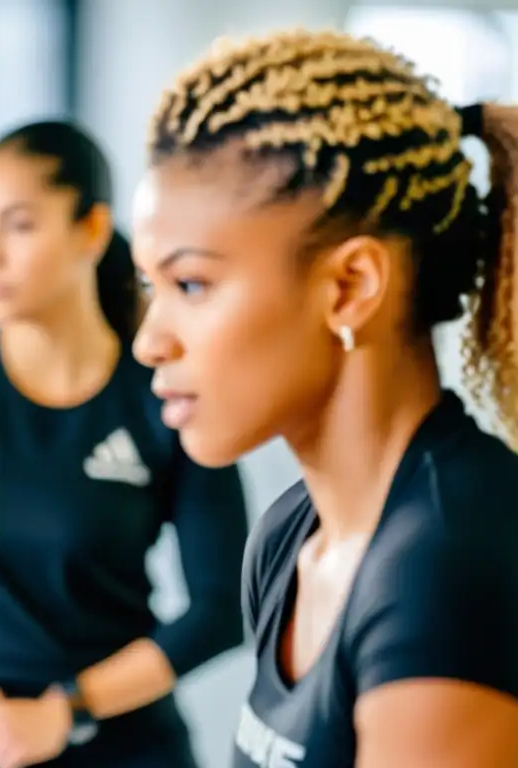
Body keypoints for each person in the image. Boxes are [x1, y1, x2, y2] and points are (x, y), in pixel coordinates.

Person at [132, 30, 518, 768]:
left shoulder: (451, 562)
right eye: (151, 286)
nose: (150, 340)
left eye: (190, 285)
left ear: (349, 288)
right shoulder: (289, 537)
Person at [0, 120, 249, 768]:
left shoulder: (164, 395)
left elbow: (222, 608)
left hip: (127, 743)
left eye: (20, 225)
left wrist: (66, 709)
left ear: (90, 229)